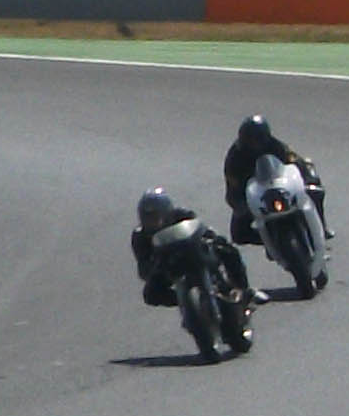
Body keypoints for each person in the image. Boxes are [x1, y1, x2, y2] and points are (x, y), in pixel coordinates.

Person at [132, 187, 253, 310]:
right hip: (169, 266)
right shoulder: (140, 236)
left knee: (228, 250)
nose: (152, 221)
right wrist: (155, 265)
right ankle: (186, 303)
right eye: (147, 217)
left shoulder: (182, 215)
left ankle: (243, 291)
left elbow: (203, 230)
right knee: (150, 294)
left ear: (166, 212)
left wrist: (212, 239)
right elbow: (143, 268)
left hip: (195, 253)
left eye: (155, 216)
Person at [221, 114, 330, 245]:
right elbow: (232, 188)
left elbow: (294, 160)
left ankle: (322, 228)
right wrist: (240, 204)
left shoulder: (275, 145)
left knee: (316, 192)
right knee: (239, 235)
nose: (254, 143)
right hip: (255, 194)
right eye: (250, 139)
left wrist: (307, 179)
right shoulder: (234, 157)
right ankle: (269, 239)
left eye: (257, 138)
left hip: (279, 185)